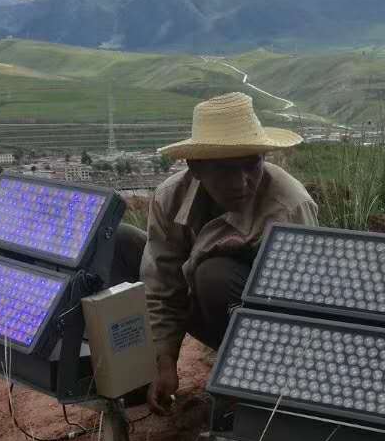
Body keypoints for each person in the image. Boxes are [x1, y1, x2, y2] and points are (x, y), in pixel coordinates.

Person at [112, 92, 318, 414]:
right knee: (121, 242)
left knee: (214, 275)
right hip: (199, 307)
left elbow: (306, 306)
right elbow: (161, 285)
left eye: (252, 164)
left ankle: (249, 384)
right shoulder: (170, 197)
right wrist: (164, 357)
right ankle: (143, 378)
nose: (242, 182)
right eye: (224, 170)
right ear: (196, 168)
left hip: (267, 329)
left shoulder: (289, 207)